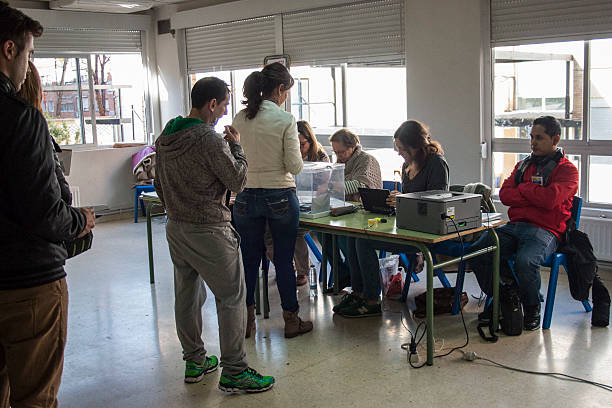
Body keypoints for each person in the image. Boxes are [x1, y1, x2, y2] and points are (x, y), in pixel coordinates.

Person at [0, 3, 95, 407]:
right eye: (30, 54)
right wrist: (82, 220)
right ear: (9, 50)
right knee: (35, 396)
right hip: (28, 285)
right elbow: (45, 212)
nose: (29, 65)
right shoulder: (21, 119)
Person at [154, 77, 274, 392]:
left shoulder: (167, 133)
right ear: (211, 104)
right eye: (223, 106)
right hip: (210, 228)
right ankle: (235, 370)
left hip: (176, 226)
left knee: (188, 294)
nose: (223, 112)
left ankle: (195, 360)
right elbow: (237, 181)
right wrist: (237, 146)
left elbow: (158, 182)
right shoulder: (208, 139)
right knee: (232, 297)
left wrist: (174, 208)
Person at [470, 116, 578, 331]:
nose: (533, 143)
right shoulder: (523, 166)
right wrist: (534, 193)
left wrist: (525, 189)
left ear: (555, 138)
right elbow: (506, 195)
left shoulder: (568, 171)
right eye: (531, 137)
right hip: (515, 226)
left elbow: (550, 200)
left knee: (525, 261)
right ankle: (506, 296)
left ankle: (531, 307)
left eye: (539, 138)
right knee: (478, 251)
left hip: (546, 231)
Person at [334, 120, 449, 317]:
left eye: (402, 148)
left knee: (363, 242)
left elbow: (437, 202)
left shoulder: (437, 164)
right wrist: (396, 200)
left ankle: (371, 299)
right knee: (355, 236)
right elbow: (409, 199)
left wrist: (404, 200)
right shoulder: (407, 164)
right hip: (406, 225)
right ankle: (359, 292)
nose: (399, 152)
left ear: (415, 146)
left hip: (426, 231)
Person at [232, 62, 313, 339]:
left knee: (249, 260)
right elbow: (294, 165)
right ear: (279, 89)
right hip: (279, 194)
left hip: (244, 196)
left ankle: (246, 322)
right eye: (287, 91)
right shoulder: (285, 120)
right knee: (283, 259)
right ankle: (291, 321)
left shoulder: (240, 118)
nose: (286, 97)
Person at [264, 120, 329, 286]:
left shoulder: (320, 156)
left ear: (310, 141)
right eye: (295, 144)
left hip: (313, 206)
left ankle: (302, 271)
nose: (299, 149)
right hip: (288, 202)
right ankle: (285, 266)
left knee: (296, 231)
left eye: (302, 144)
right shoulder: (287, 155)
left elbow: (324, 186)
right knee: (267, 233)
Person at [321, 128, 383, 291]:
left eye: (341, 152)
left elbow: (361, 185)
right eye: (335, 152)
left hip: (367, 216)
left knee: (344, 237)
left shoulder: (366, 161)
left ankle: (356, 279)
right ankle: (343, 273)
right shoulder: (341, 162)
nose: (338, 156)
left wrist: (331, 187)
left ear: (353, 146)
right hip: (346, 211)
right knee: (323, 234)